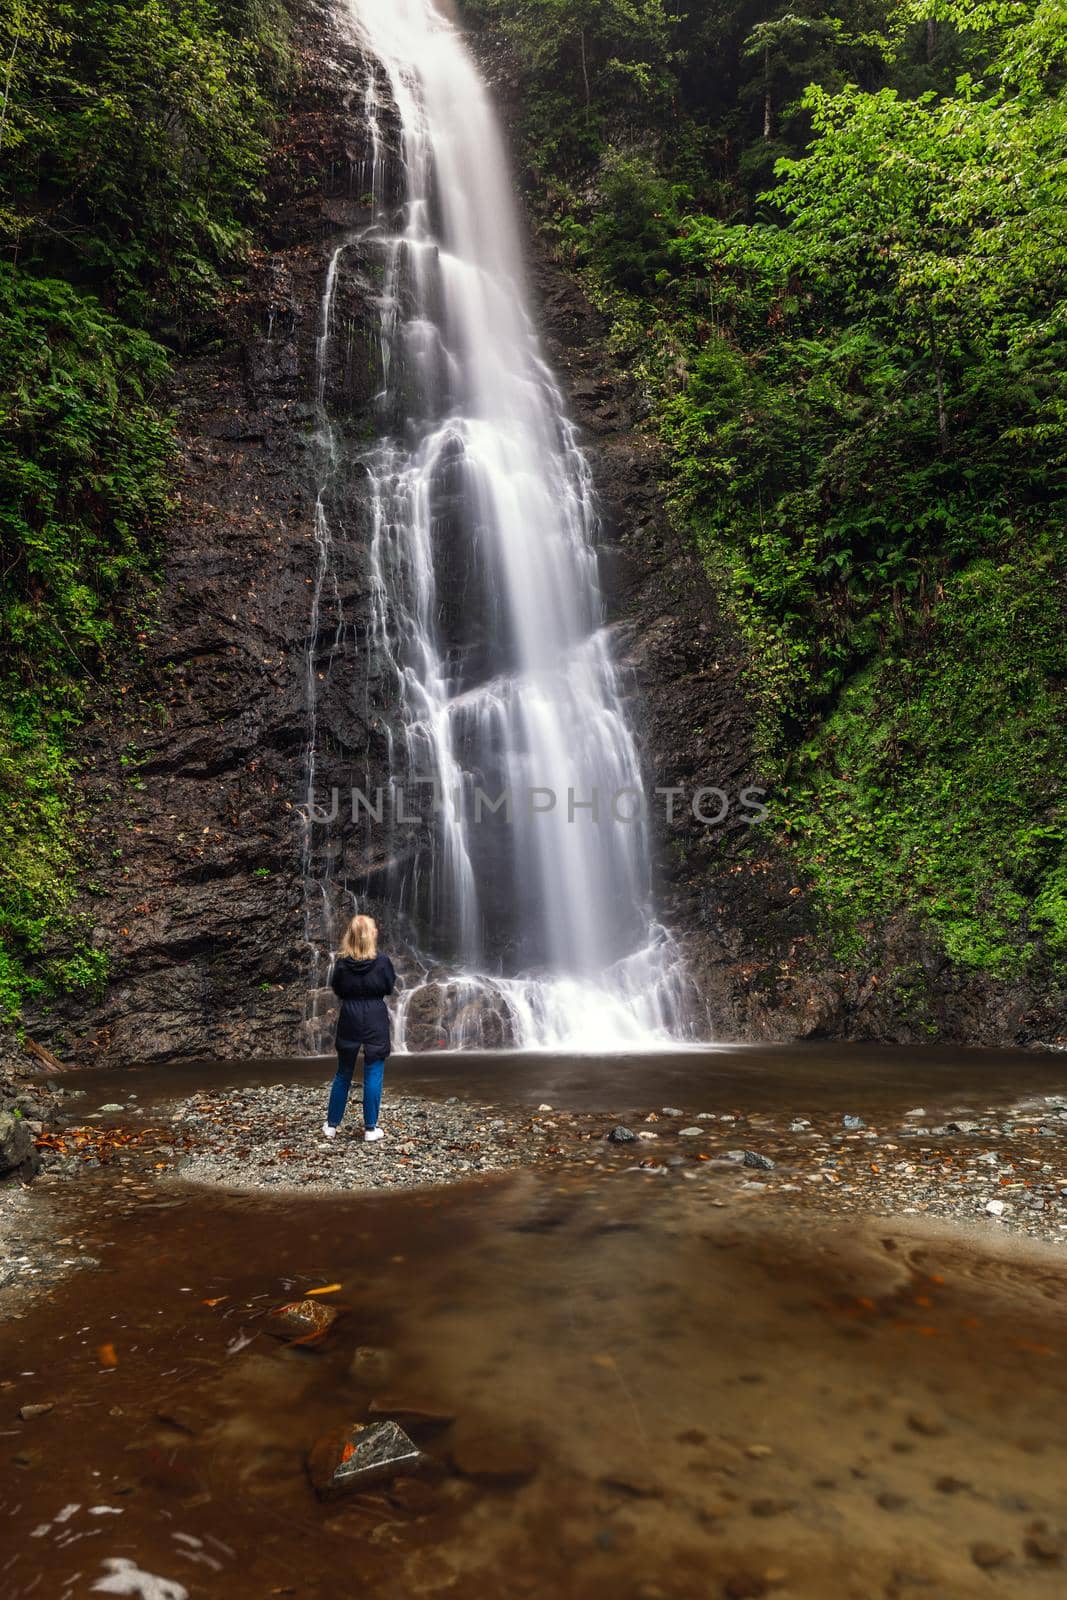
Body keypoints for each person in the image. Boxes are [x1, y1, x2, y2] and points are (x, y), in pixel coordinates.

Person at [323, 914, 396, 1142]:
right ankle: (371, 1129)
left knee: (344, 1071)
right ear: (372, 935)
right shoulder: (382, 961)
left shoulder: (343, 963)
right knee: (373, 1071)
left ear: (350, 936)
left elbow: (338, 988)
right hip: (374, 1015)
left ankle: (331, 1126)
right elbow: (389, 986)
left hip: (350, 1015)